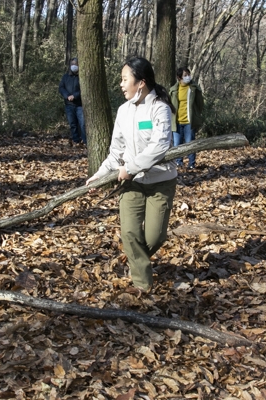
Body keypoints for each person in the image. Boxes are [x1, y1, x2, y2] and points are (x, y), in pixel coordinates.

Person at [86, 57, 177, 293]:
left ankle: (137, 262)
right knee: (129, 233)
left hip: (161, 180)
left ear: (141, 82)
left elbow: (160, 146)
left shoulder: (160, 108)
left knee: (155, 237)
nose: (121, 84)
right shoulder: (123, 111)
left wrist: (131, 167)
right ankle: (142, 285)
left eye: (125, 79)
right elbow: (116, 151)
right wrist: (101, 173)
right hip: (132, 184)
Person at [168, 67, 204, 169]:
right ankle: (178, 163)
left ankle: (191, 164)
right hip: (177, 121)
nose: (188, 77)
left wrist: (196, 115)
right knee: (177, 144)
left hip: (189, 121)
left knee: (190, 143)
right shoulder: (174, 90)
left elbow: (200, 104)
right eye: (185, 75)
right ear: (179, 77)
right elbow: (170, 105)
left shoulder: (193, 88)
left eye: (188, 74)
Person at [58, 57, 87, 146]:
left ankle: (85, 142)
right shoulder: (66, 77)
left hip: (79, 105)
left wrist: (75, 96)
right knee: (72, 124)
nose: (74, 66)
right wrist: (67, 96)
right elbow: (61, 88)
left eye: (75, 64)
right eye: (72, 64)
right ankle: (76, 140)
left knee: (82, 124)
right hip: (69, 105)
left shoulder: (81, 77)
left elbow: (83, 89)